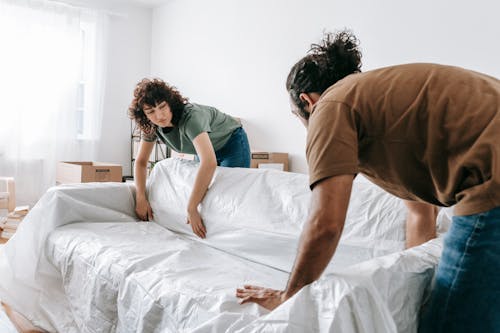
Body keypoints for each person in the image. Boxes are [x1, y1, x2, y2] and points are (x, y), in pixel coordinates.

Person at [236, 30, 500, 333]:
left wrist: (290, 297)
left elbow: (325, 224)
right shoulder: (383, 103)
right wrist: (414, 278)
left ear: (307, 102)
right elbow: (420, 212)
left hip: (491, 181)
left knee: (448, 322)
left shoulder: (331, 106)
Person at [128, 78, 250, 238]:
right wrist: (141, 197)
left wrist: (191, 208)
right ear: (144, 115)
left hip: (231, 143)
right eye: (150, 112)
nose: (159, 116)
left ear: (170, 102)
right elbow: (141, 162)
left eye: (162, 106)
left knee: (229, 194)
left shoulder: (191, 117)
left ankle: (235, 237)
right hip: (204, 150)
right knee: (202, 193)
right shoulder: (151, 127)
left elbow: (209, 162)